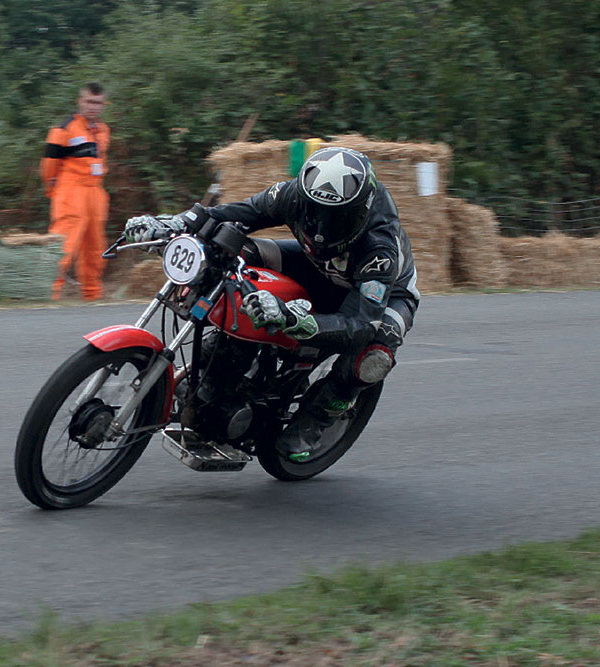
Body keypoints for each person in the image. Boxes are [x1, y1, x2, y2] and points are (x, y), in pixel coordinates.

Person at [123, 146, 419, 461]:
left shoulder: (379, 245)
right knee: (234, 251)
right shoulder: (292, 194)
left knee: (375, 354)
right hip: (317, 266)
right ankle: (217, 356)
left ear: (362, 210)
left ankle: (317, 420)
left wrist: (293, 320)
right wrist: (176, 224)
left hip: (382, 296)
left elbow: (361, 324)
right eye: (313, 211)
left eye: (337, 217)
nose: (321, 226)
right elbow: (234, 214)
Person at [41, 82, 111, 301]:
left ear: (103, 105)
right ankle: (49, 292)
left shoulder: (103, 130)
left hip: (95, 191)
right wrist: (53, 189)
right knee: (64, 242)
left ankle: (92, 293)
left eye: (97, 103)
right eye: (89, 101)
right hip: (70, 189)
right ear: (80, 101)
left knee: (95, 245)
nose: (93, 107)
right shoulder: (65, 128)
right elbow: (49, 165)